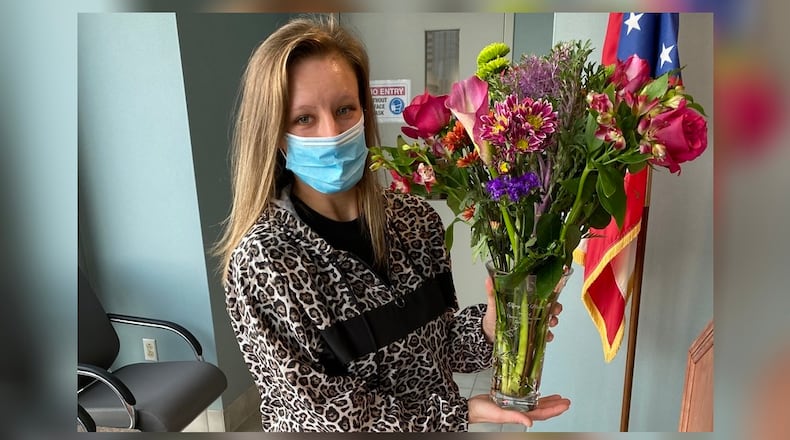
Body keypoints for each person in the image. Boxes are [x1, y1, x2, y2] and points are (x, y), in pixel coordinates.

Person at [215, 14, 571, 432]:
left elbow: (441, 346)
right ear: (274, 133)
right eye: (304, 119)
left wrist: (492, 328)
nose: (331, 132)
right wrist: (455, 414)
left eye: (344, 109)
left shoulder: (415, 221)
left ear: (364, 112)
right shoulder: (265, 261)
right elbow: (328, 412)